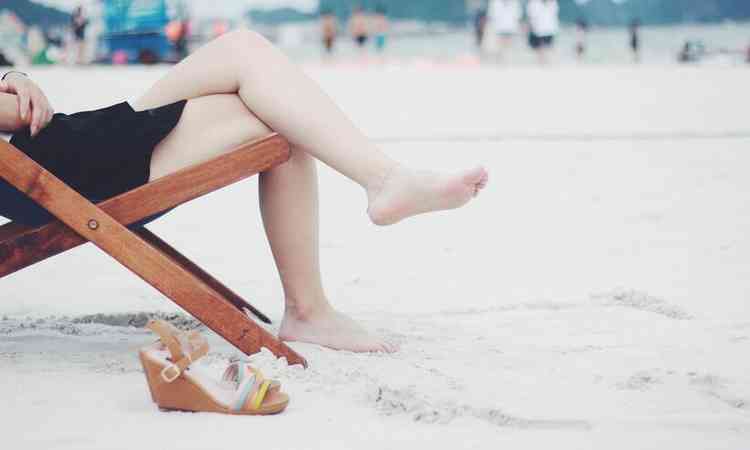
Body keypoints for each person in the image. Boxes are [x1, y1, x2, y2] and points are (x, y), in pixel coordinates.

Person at [0, 31, 488, 353]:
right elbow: (19, 116)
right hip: (60, 170)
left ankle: (321, 290)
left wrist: (11, 76)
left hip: (68, 152)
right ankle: (315, 298)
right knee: (273, 106)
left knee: (252, 64)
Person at [526, 0, 559, 64]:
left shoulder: (552, 2)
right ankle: (541, 62)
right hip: (538, 29)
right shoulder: (533, 3)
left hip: (549, 29)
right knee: (539, 48)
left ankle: (545, 62)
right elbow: (530, 15)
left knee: (547, 47)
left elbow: (554, 14)